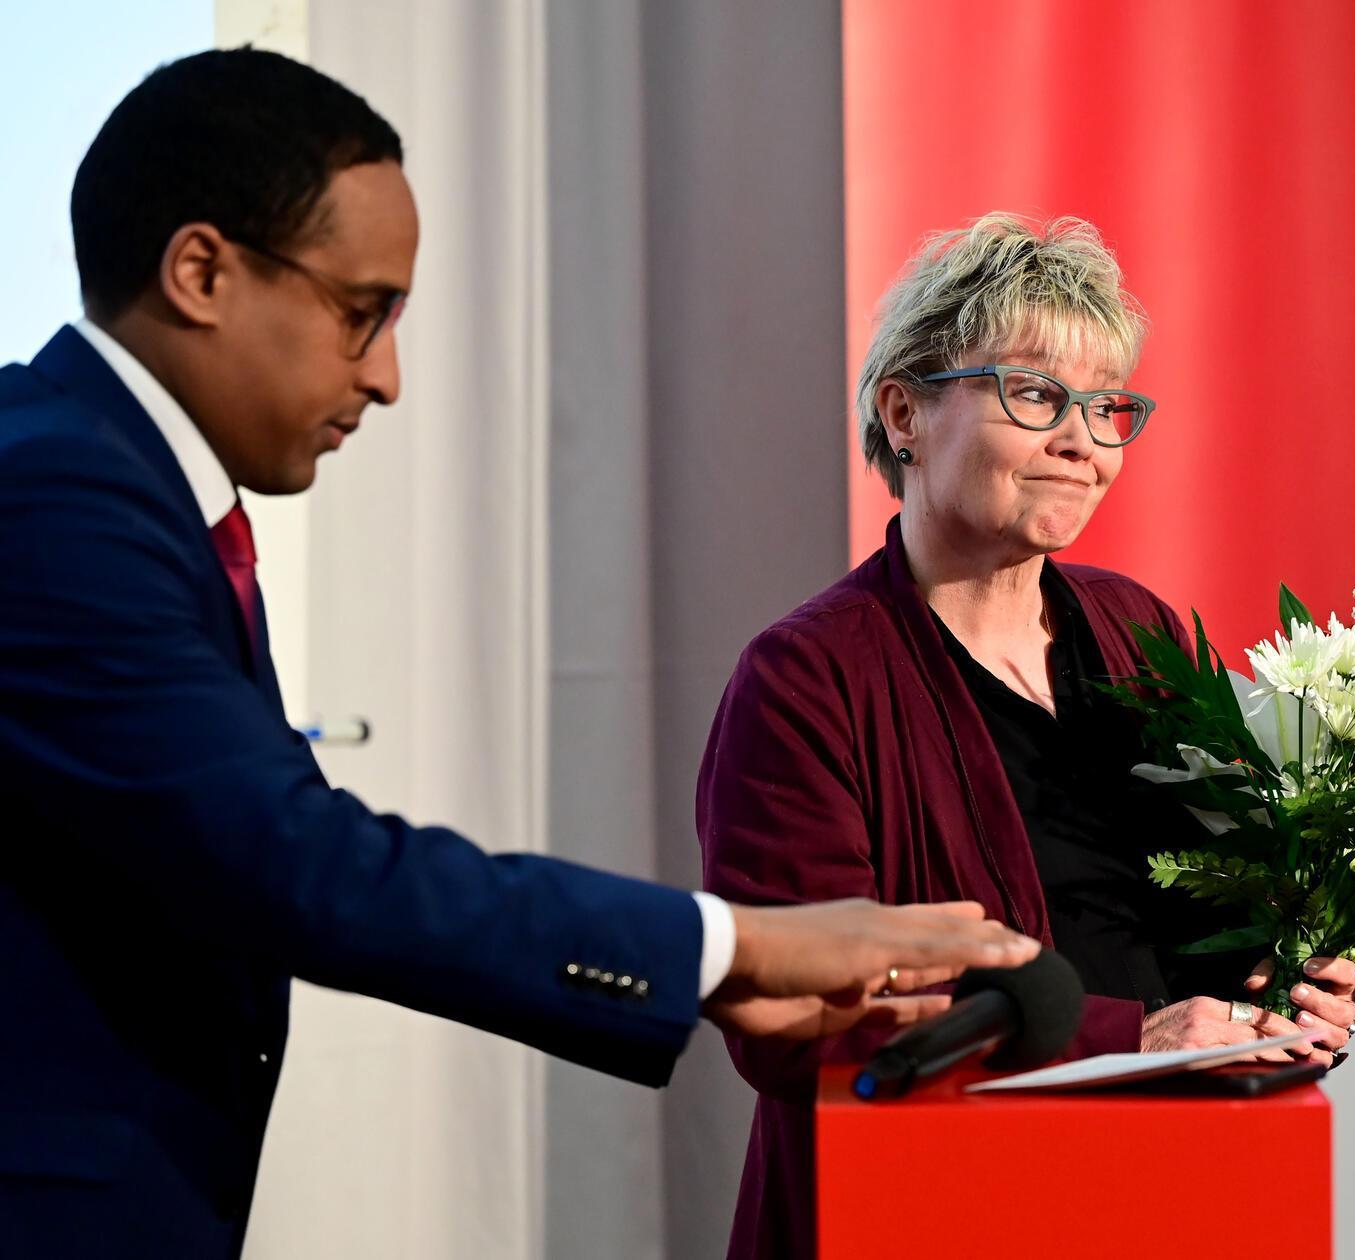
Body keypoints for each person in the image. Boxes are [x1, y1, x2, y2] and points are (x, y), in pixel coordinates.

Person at [0, 50, 1040, 1259]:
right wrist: (732, 943)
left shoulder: (110, 485)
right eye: (360, 313)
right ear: (200, 270)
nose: (385, 379)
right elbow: (297, 864)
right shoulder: (60, 495)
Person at [699, 214, 1355, 1258]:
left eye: (1105, 408)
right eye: (1035, 395)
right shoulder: (804, 680)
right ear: (903, 411)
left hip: (1177, 1191)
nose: (1080, 443)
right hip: (938, 1207)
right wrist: (1125, 1039)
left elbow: (1225, 885)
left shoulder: (1137, 629)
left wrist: (1293, 976)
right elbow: (790, 1010)